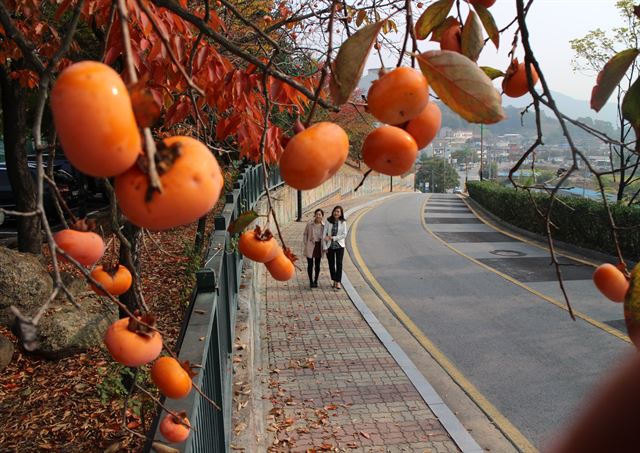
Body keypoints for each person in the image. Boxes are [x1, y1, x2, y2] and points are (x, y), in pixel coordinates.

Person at [323, 205, 347, 290]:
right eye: (335, 211)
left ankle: (338, 282)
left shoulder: (343, 222)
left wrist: (333, 238)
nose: (336, 213)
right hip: (330, 246)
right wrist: (325, 247)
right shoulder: (328, 221)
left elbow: (344, 234)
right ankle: (334, 280)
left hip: (340, 246)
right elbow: (324, 234)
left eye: (338, 212)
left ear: (341, 214)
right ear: (333, 212)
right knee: (331, 264)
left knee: (339, 264)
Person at [302, 209, 325, 288]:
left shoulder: (324, 226)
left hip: (319, 246)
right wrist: (306, 243)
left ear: (322, 216)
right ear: (314, 215)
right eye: (317, 214)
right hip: (310, 245)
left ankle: (316, 280)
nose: (318, 216)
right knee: (310, 264)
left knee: (317, 264)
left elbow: (326, 236)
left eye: (320, 214)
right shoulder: (309, 224)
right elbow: (305, 234)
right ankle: (311, 281)